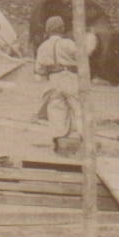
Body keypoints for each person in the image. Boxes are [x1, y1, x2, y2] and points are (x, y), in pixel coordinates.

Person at [33, 15, 81, 149]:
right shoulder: (68, 43)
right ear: (62, 29)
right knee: (78, 107)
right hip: (69, 77)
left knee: (56, 109)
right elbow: (81, 57)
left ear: (48, 30)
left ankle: (60, 141)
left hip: (53, 79)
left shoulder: (43, 47)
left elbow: (39, 69)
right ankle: (85, 137)